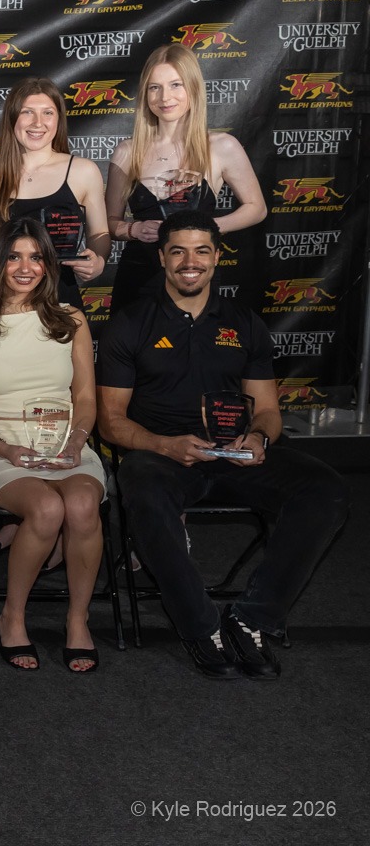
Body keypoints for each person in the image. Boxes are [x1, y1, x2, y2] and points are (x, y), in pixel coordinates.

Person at [97, 210, 346, 679]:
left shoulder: (243, 323)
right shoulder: (129, 325)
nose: (190, 262)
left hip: (234, 458)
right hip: (162, 457)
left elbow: (269, 411)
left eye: (201, 251)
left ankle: (252, 619)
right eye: (178, 251)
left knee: (326, 489)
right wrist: (164, 445)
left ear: (216, 257)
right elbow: (110, 422)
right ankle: (201, 626)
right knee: (143, 492)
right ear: (162, 258)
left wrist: (257, 437)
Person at [0, 219, 106, 673]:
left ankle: (78, 620)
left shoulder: (70, 319)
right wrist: (5, 448)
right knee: (45, 508)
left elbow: (85, 398)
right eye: (14, 256)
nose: (25, 267)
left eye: (35, 257)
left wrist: (77, 441)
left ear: (48, 264)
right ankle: (11, 615)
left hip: (65, 441)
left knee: (80, 504)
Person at [105, 43, 266, 311]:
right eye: (154, 87)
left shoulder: (221, 146)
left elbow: (256, 208)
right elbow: (109, 223)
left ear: (192, 88)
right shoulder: (126, 151)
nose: (164, 97)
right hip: (138, 280)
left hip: (194, 279)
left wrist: (205, 230)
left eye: (175, 85)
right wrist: (133, 229)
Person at [0, 78, 109, 307]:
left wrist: (98, 261)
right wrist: (2, 259)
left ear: (59, 119)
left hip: (60, 301)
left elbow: (100, 236)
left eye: (48, 113)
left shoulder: (83, 171)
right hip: (3, 304)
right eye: (28, 112)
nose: (38, 123)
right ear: (12, 118)